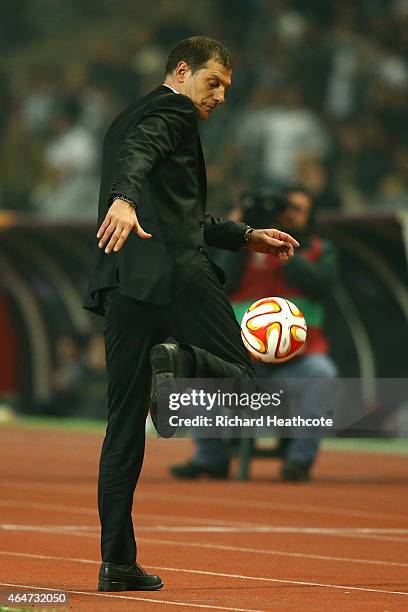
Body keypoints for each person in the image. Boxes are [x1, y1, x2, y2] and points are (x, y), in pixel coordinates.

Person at [83, 36, 299, 592]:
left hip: (125, 281)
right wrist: (125, 198)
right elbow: (141, 162)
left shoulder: (125, 117)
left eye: (226, 87)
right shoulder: (173, 111)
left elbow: (184, 211)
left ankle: (116, 563)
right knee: (248, 387)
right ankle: (177, 360)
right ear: (181, 71)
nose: (220, 96)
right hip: (176, 274)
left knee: (123, 429)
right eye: (214, 82)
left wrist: (244, 235)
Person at [171, 184, 338, 482]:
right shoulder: (243, 251)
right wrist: (239, 235)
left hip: (297, 362)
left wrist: (283, 247)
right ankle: (211, 458)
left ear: (310, 216)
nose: (287, 215)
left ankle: (299, 462)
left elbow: (318, 285)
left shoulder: (320, 251)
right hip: (241, 362)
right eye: (282, 208)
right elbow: (220, 282)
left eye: (296, 209)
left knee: (323, 372)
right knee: (195, 371)